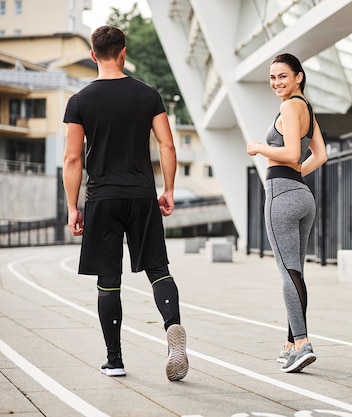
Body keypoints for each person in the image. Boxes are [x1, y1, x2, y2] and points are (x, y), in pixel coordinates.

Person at [62, 25, 188, 381]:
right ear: (123, 53)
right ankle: (172, 328)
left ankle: (114, 360)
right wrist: (168, 189)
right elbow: (167, 145)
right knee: (157, 268)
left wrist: (73, 207)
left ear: (92, 55)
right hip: (140, 194)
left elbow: (73, 160)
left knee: (108, 278)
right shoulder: (148, 95)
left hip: (102, 197)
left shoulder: (80, 101)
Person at [247, 53, 328, 373]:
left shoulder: (288, 106)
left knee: (287, 272)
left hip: (281, 196)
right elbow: (320, 154)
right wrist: (296, 179)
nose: (276, 82)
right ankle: (291, 343)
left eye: (282, 76)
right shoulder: (307, 108)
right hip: (302, 196)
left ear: (298, 77)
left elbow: (292, 153)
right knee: (295, 272)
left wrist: (259, 148)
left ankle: (303, 343)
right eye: (272, 77)